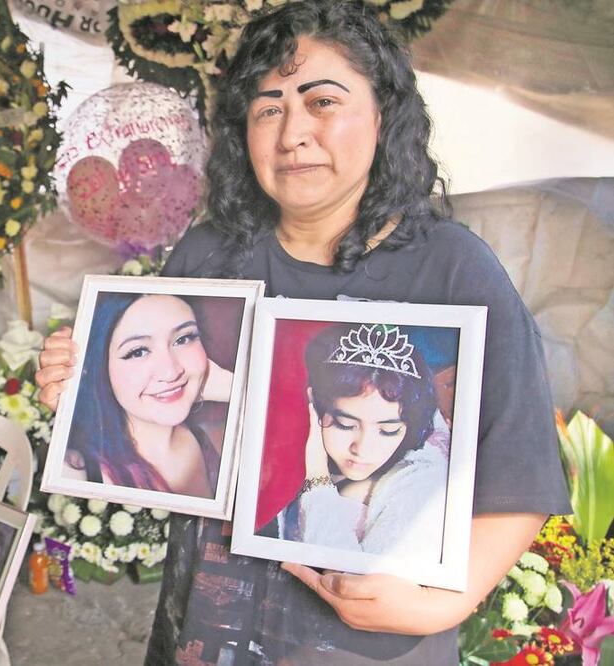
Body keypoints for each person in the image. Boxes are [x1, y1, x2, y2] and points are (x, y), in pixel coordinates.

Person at [36, 1, 570, 663]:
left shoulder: (452, 267)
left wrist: (447, 601)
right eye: (267, 109)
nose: (292, 133)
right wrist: (86, 398)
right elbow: (175, 438)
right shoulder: (206, 258)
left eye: (321, 102)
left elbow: (520, 463)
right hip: (205, 624)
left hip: (366, 642)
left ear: (381, 114)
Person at [275, 323, 450, 562]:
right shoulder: (283, 443)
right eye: (345, 425)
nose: (363, 448)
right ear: (314, 406)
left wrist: (316, 476)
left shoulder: (422, 481)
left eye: (388, 430)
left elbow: (349, 577)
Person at [64, 292, 234, 498]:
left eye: (183, 339)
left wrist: (230, 387)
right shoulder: (75, 472)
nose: (170, 371)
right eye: (138, 352)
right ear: (100, 367)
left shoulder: (221, 436)